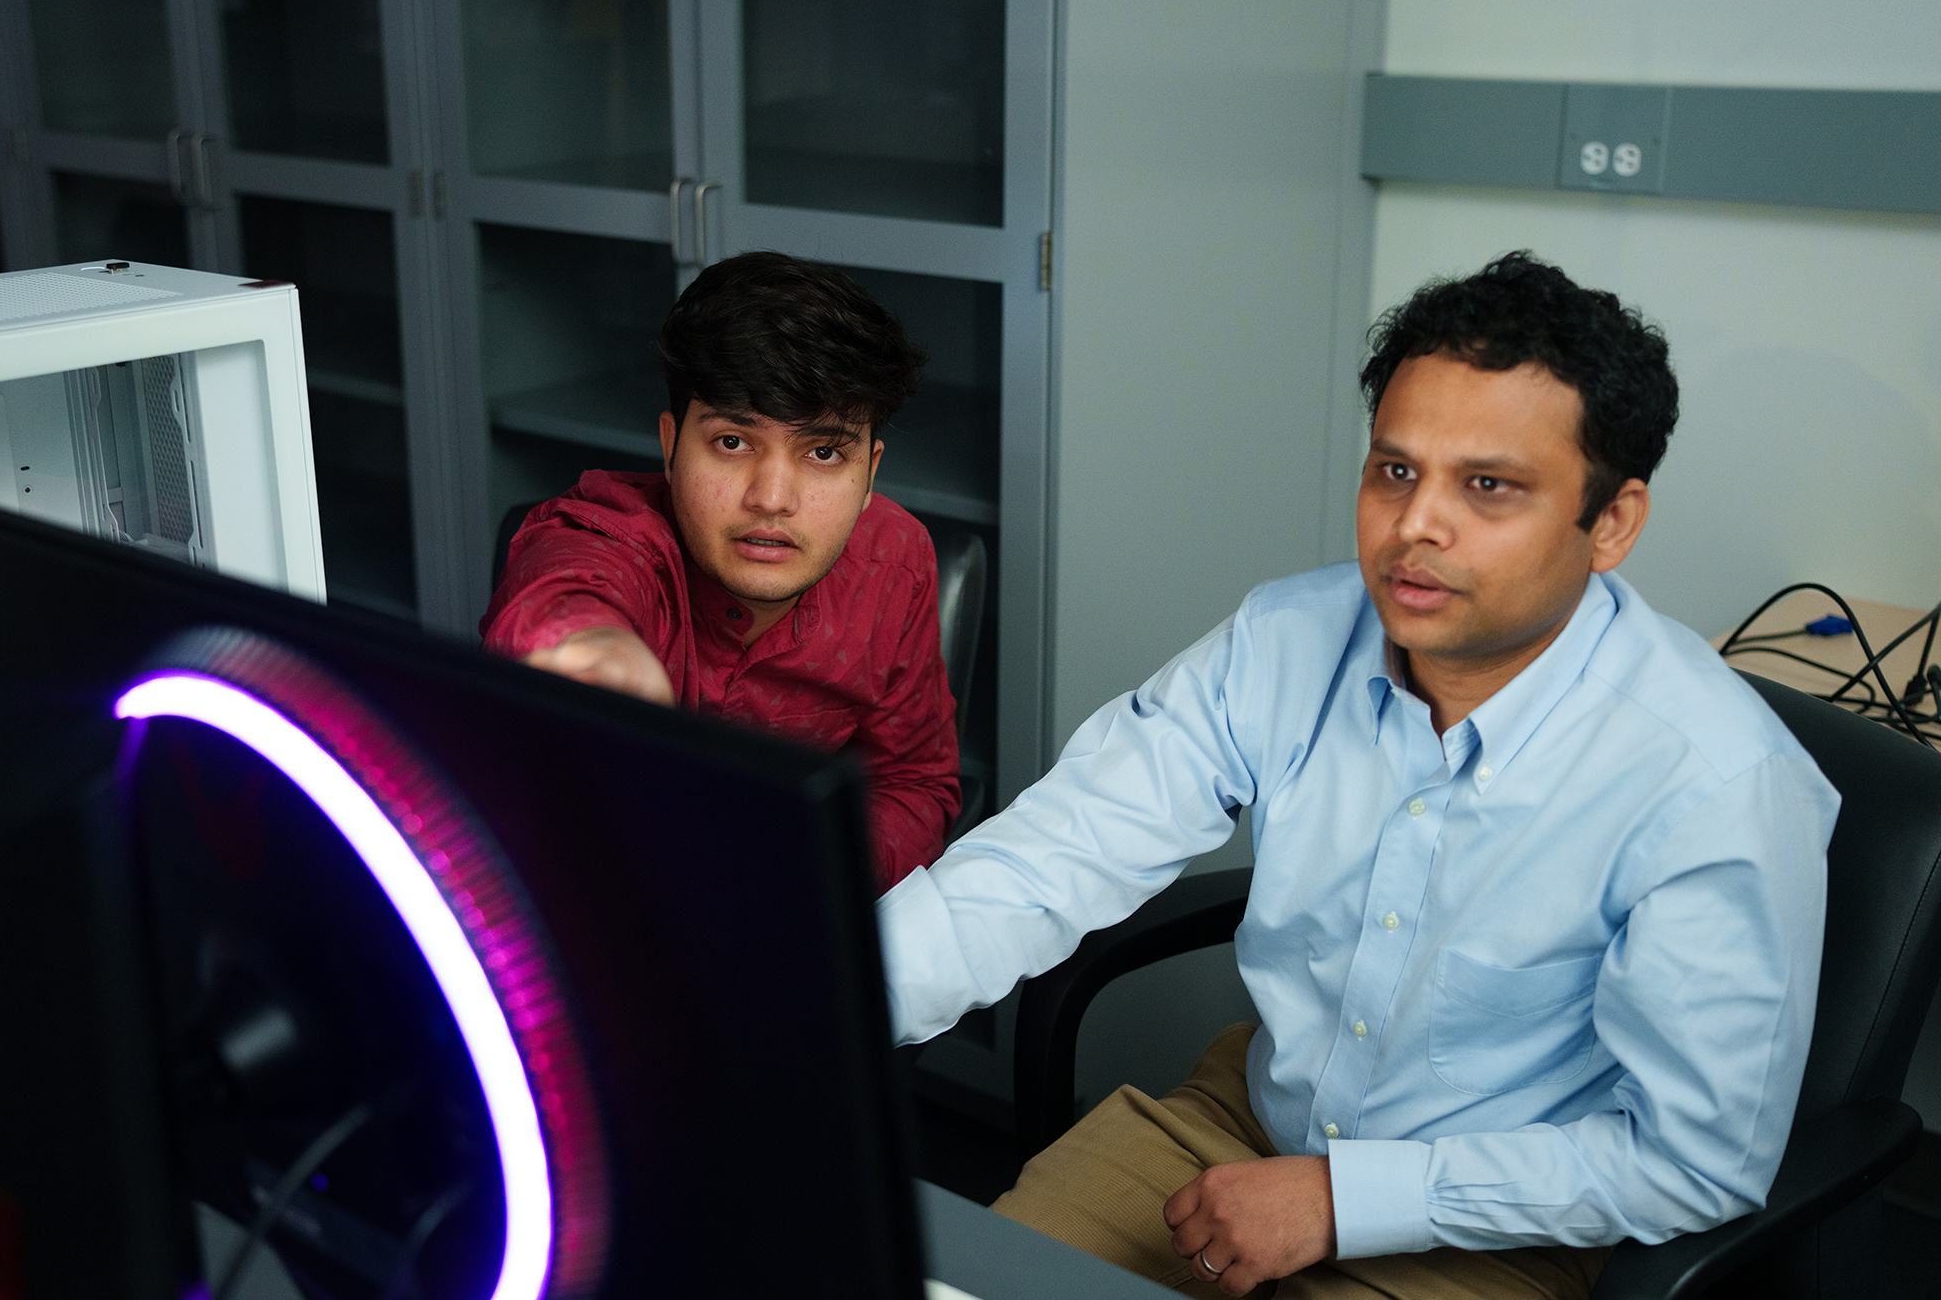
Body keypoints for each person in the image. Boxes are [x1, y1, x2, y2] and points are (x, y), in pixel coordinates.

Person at [878, 252, 1837, 1298]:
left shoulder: (1716, 782)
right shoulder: (1287, 638)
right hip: (1243, 1129)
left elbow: (1693, 1160)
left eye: (1487, 486)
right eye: (1394, 470)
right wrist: (803, 1009)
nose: (1414, 526)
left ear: (1610, 523)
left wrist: (1345, 1201)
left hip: (1502, 1218)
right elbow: (1047, 858)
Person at [482, 252, 961, 892]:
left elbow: (912, 781)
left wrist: (801, 873)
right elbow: (567, 587)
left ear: (870, 472)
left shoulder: (896, 561)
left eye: (822, 452)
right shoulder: (609, 534)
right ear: (670, 443)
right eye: (733, 442)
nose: (769, 497)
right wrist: (594, 649)